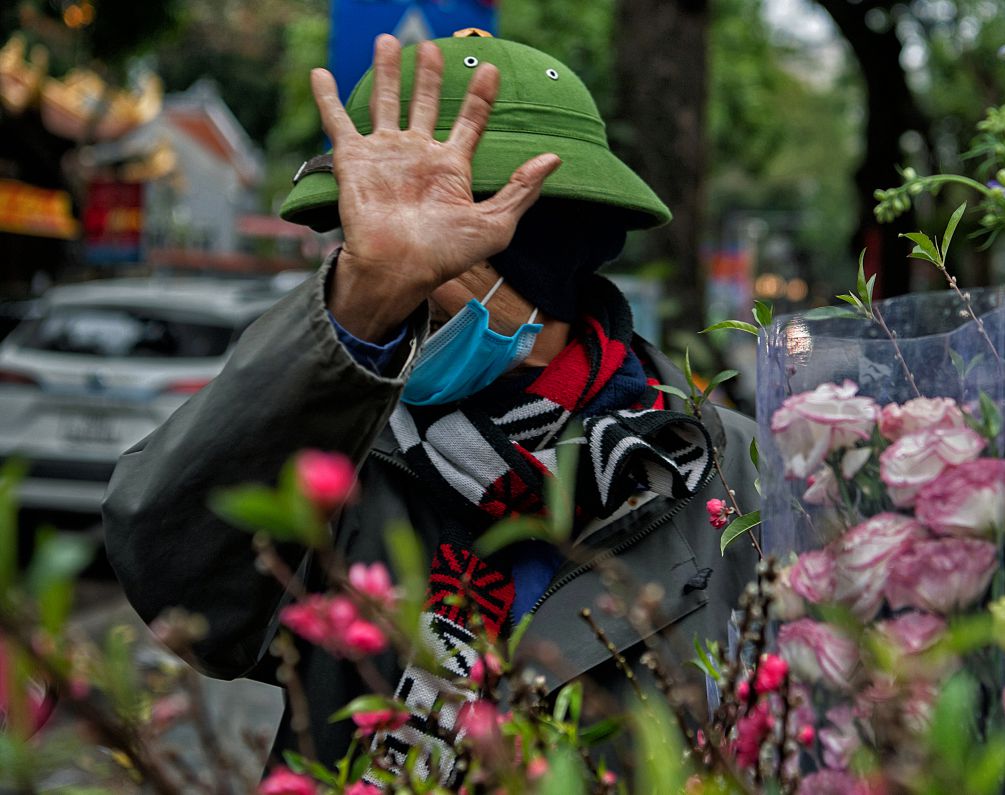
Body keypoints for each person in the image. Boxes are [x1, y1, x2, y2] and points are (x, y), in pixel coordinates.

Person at [103, 30, 759, 784]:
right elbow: (175, 579)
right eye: (359, 251)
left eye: (426, 265)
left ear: (537, 258)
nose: (390, 295)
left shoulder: (720, 466)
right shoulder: (335, 444)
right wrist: (365, 297)